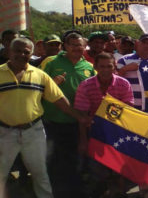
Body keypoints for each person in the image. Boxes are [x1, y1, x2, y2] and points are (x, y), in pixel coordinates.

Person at [0, 38, 89, 198]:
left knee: (40, 173)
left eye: (26, 52)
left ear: (31, 53)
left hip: (33, 132)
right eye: (17, 51)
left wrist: (80, 117)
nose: (21, 54)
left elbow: (60, 100)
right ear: (9, 52)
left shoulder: (40, 75)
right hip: (4, 132)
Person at [41, 32, 95, 198]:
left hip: (77, 122)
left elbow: (95, 92)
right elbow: (36, 87)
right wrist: (52, 83)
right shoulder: (51, 62)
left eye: (79, 45)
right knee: (52, 159)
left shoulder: (89, 67)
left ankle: (73, 190)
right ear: (64, 46)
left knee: (74, 159)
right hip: (53, 120)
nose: (76, 48)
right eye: (72, 44)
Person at [74, 52, 134, 198]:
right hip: (94, 133)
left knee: (119, 169)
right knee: (96, 170)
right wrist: (83, 140)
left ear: (114, 66)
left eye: (109, 66)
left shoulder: (123, 84)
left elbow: (128, 111)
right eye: (102, 66)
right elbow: (82, 116)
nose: (106, 70)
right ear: (95, 67)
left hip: (117, 133)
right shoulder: (86, 86)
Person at [117, 34, 148, 110]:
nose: (146, 46)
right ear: (138, 43)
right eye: (143, 42)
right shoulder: (123, 60)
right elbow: (115, 81)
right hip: (130, 109)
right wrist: (124, 69)